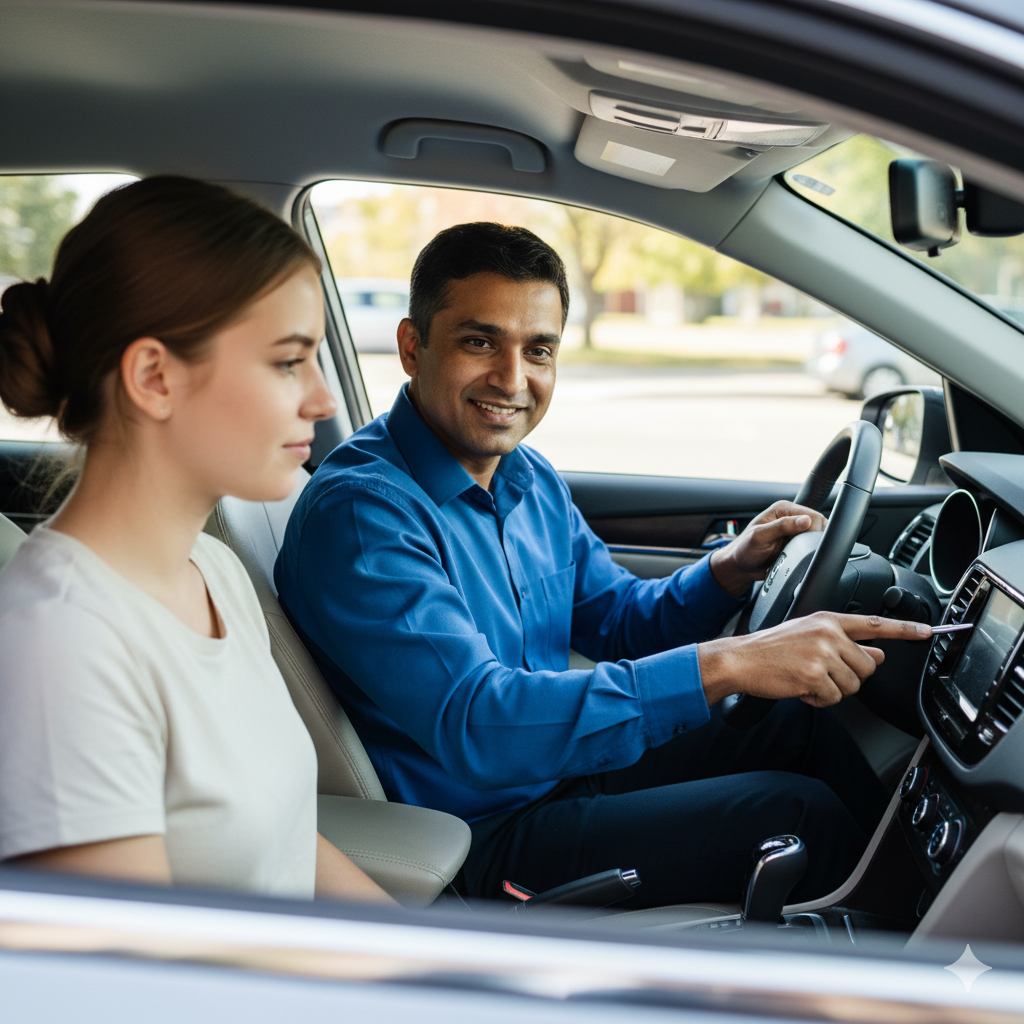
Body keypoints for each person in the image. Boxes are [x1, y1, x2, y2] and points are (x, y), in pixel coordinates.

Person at [275, 221, 931, 910]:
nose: (512, 378)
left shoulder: (526, 476)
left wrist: (731, 568)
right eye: (479, 342)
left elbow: (617, 618)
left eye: (538, 350)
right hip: (484, 834)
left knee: (793, 717)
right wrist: (729, 662)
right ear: (414, 346)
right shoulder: (365, 513)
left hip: (559, 765)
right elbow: (480, 724)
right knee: (797, 814)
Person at [0, 176, 393, 904]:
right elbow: (130, 983)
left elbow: (285, 843)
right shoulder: (59, 641)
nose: (324, 398)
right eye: (287, 360)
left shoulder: (211, 568)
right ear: (154, 377)